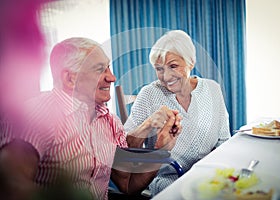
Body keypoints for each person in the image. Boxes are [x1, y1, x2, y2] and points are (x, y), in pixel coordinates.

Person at [0, 37, 181, 200]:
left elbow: (127, 185)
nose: (112, 77)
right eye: (100, 69)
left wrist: (161, 149)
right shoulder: (37, 115)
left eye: (108, 67)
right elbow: (10, 186)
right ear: (70, 79)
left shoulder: (110, 122)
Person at [124, 30, 231, 195]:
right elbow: (125, 147)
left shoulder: (212, 89)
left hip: (209, 178)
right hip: (170, 180)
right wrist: (148, 124)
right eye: (159, 69)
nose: (166, 76)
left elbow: (224, 140)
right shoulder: (149, 94)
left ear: (191, 62)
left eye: (173, 66)